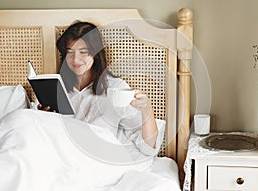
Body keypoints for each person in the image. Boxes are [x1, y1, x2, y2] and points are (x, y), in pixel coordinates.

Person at [37, 21, 164, 161]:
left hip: (93, 160)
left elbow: (148, 147)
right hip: (58, 156)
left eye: (83, 52)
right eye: (70, 52)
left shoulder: (116, 89)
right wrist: (43, 118)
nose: (75, 59)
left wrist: (147, 110)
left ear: (95, 54)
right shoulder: (56, 86)